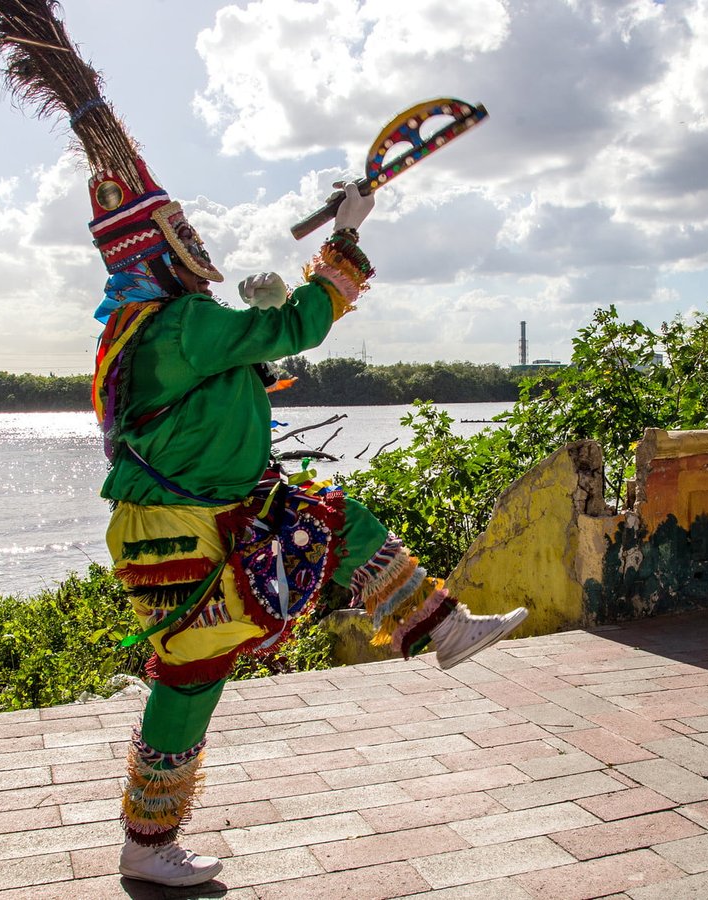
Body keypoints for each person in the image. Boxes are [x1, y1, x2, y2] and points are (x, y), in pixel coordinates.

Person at [89, 172, 528, 887]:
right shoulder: (180, 321)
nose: (198, 247)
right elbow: (300, 327)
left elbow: (228, 383)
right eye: (184, 237)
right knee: (197, 671)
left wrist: (255, 319)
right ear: (161, 255)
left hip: (201, 515)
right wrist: (345, 237)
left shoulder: (151, 326)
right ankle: (146, 844)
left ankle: (444, 627)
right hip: (186, 525)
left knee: (322, 536)